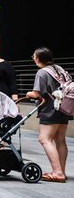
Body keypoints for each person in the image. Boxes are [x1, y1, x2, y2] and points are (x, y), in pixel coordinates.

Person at [26, 47, 71, 182]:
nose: (33, 58)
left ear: (38, 59)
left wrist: (29, 94)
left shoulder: (42, 72)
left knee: (44, 139)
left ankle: (57, 172)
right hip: (64, 108)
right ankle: (61, 171)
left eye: (34, 56)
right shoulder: (59, 69)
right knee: (60, 140)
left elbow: (36, 93)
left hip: (50, 109)